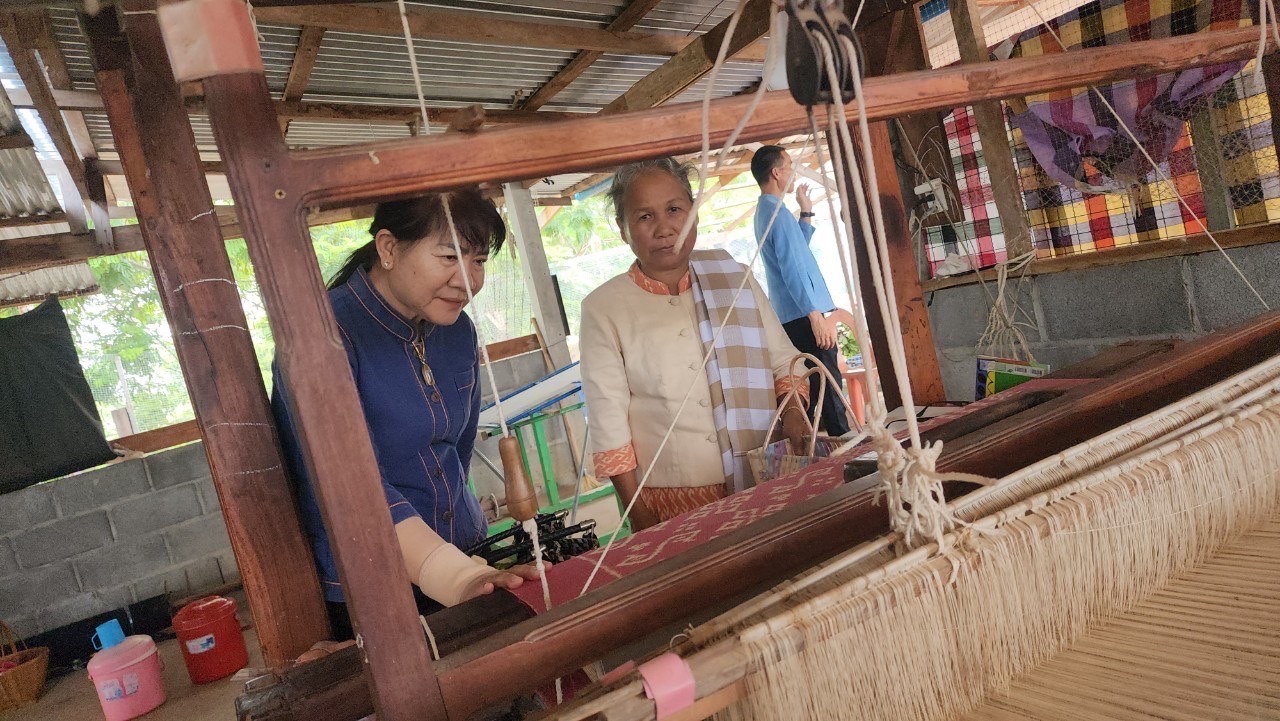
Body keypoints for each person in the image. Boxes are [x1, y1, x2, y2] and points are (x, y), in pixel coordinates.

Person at [272, 190, 541, 641]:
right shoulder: (324, 339)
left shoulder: (456, 332)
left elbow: (456, 451)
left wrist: (468, 561)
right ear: (389, 249)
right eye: (450, 256)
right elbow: (347, 485)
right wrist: (452, 575)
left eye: (478, 261)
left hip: (465, 553)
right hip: (379, 578)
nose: (468, 280)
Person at [580, 158, 810, 532]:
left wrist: (795, 415)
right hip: (670, 497)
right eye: (644, 217)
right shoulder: (603, 308)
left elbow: (785, 361)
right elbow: (608, 419)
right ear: (623, 231)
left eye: (674, 210)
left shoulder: (735, 279)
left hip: (762, 472)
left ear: (694, 214)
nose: (664, 228)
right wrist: (637, 513)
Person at [751, 145, 851, 438]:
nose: (794, 171)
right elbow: (793, 269)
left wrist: (806, 211)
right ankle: (843, 450)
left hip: (794, 313)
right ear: (776, 173)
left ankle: (826, 449)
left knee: (818, 385)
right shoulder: (775, 215)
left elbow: (797, 251)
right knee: (827, 385)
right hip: (802, 314)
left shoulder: (771, 211)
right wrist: (815, 316)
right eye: (790, 164)